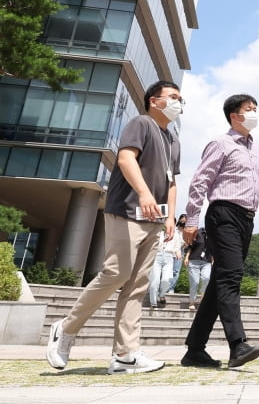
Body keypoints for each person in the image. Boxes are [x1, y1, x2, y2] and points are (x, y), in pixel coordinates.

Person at [45, 80, 183, 375]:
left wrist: (171, 217)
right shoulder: (141, 123)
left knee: (136, 287)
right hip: (126, 210)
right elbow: (125, 158)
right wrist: (145, 192)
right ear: (153, 100)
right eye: (172, 97)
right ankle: (66, 329)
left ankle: (125, 354)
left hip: (154, 221)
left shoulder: (173, 140)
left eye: (180, 99)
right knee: (116, 272)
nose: (177, 103)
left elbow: (172, 181)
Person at [180, 94, 259, 370]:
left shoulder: (256, 149)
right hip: (223, 213)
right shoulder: (221, 144)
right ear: (234, 116)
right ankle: (238, 345)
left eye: (255, 109)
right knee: (231, 276)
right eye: (249, 110)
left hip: (246, 219)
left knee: (219, 282)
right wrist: (191, 220)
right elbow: (200, 181)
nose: (254, 114)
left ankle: (194, 350)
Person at [146, 222, 182, 308]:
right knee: (155, 281)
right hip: (157, 256)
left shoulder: (176, 235)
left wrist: (178, 253)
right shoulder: (159, 233)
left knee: (166, 280)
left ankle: (162, 295)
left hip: (169, 257)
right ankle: (153, 302)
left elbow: (177, 247)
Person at [184, 227, 213, 311]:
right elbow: (190, 247)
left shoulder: (215, 235)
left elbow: (214, 250)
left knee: (206, 278)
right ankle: (192, 302)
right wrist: (186, 258)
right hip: (194, 260)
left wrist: (213, 260)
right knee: (195, 282)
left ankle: (202, 297)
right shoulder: (198, 233)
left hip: (207, 261)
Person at [167, 214, 187, 292]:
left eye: (185, 221)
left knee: (175, 271)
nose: (183, 222)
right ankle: (163, 287)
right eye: (182, 220)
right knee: (167, 270)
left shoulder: (186, 232)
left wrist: (185, 245)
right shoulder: (174, 229)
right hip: (170, 251)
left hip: (180, 252)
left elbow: (186, 244)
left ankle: (171, 289)